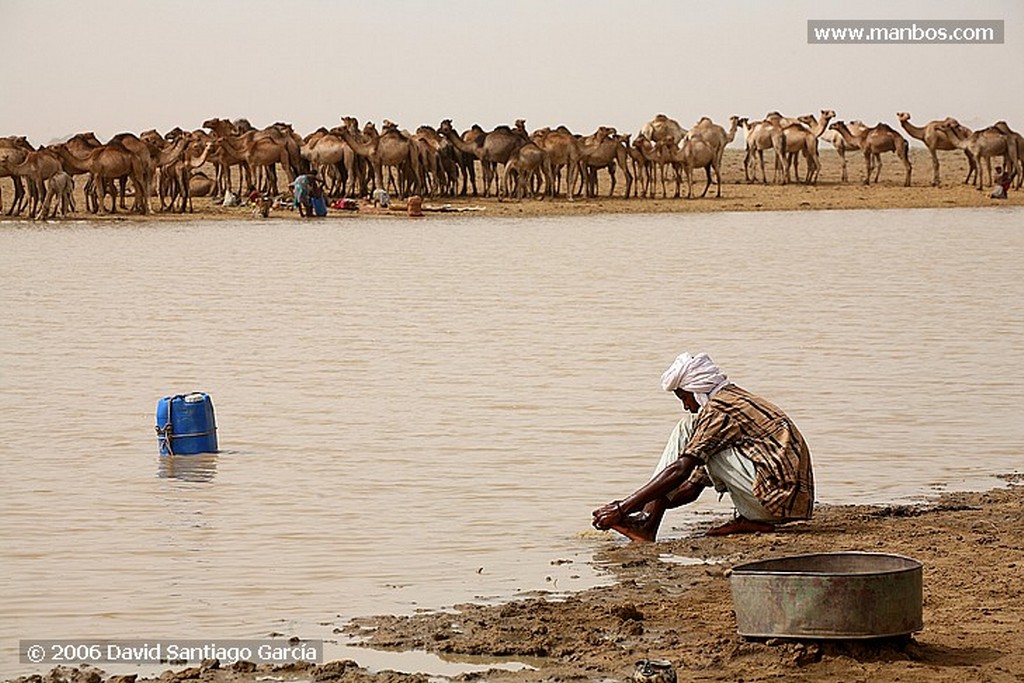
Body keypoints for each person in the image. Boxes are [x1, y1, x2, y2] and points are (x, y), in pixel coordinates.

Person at [592, 352, 814, 541]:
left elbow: (680, 470)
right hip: (783, 504)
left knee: (687, 427)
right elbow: (690, 490)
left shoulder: (719, 411)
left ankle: (647, 525)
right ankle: (647, 521)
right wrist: (636, 508)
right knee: (694, 442)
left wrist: (622, 507)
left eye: (685, 398)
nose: (687, 406)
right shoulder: (733, 400)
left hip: (775, 501)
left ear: (697, 391)